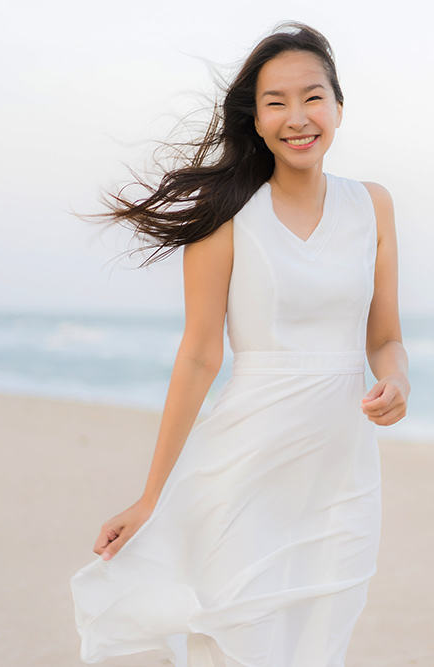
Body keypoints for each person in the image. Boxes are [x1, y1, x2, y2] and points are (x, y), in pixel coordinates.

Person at [69, 21, 410, 667]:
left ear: (338, 106)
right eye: (275, 102)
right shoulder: (226, 212)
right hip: (246, 461)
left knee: (316, 644)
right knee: (236, 637)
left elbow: (386, 338)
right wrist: (152, 496)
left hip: (341, 472)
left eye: (312, 96)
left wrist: (398, 381)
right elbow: (200, 354)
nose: (297, 117)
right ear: (254, 120)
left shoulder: (374, 205)